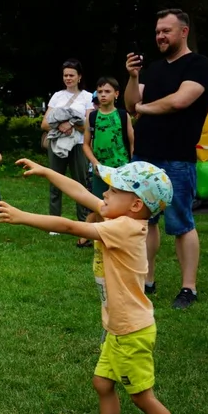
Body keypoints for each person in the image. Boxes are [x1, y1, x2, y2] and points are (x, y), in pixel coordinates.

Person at [0, 160, 184, 414]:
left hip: (130, 331)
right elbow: (81, 193)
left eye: (113, 190)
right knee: (102, 383)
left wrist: (23, 217)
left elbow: (70, 227)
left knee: (143, 397)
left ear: (136, 204)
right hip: (117, 328)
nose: (105, 194)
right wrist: (47, 171)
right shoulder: (120, 214)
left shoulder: (123, 228)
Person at [124, 9, 208, 309]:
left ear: (184, 32)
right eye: (157, 31)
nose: (160, 36)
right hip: (145, 156)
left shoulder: (199, 65)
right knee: (145, 221)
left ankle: (188, 288)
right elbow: (130, 102)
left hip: (177, 158)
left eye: (166, 30)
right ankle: (148, 280)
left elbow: (181, 100)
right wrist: (133, 77)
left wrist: (143, 108)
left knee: (181, 223)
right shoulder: (153, 68)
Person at [82, 77, 134, 309]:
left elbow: (132, 143)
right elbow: (86, 143)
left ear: (116, 94)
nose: (102, 95)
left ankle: (114, 239)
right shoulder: (91, 117)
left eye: (107, 91)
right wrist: (94, 163)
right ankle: (102, 239)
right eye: (99, 91)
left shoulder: (124, 116)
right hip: (99, 171)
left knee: (121, 209)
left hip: (121, 170)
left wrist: (130, 167)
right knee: (100, 205)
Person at [41, 59, 94, 247]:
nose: (68, 78)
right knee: (55, 182)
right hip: (57, 145)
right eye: (65, 75)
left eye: (72, 75)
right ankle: (54, 223)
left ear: (79, 77)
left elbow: (88, 125)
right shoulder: (57, 96)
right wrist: (60, 124)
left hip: (79, 145)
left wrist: (71, 123)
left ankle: (83, 223)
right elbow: (45, 123)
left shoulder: (88, 97)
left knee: (80, 183)